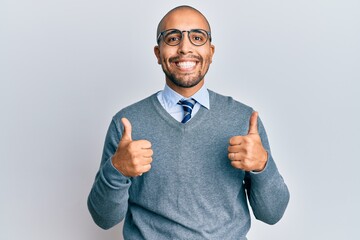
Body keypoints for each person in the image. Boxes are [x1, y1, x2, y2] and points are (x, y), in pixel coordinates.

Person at [88, 5, 289, 240]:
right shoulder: (127, 123)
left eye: (197, 37)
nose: (185, 48)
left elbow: (272, 214)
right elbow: (103, 218)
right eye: (173, 38)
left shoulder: (243, 120)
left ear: (211, 52)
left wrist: (262, 166)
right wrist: (117, 170)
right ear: (157, 52)